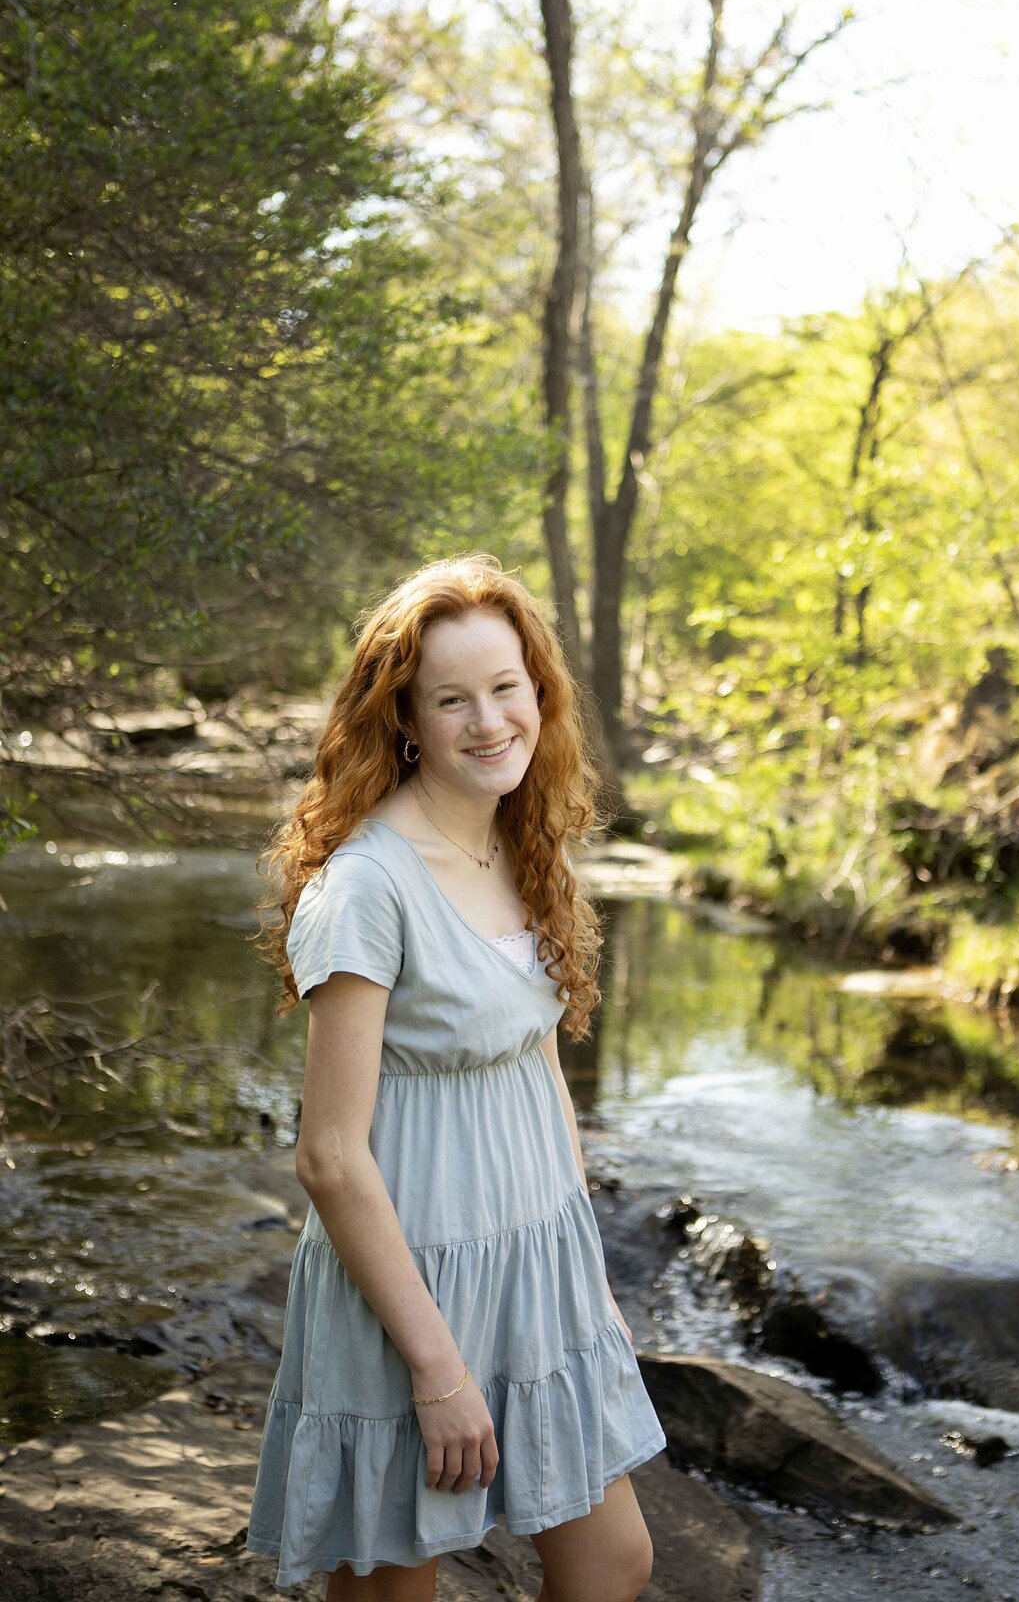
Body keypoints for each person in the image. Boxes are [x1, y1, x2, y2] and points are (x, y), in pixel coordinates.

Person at [245, 553, 666, 1601]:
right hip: (412, 1285)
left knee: (614, 1565)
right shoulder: (364, 888)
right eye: (451, 699)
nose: (489, 722)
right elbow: (329, 1156)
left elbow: (540, 1072)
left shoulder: (531, 848)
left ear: (539, 693)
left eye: (506, 688)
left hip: (537, 1265)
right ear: (405, 719)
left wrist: (588, 1278)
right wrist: (437, 1371)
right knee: (396, 1590)